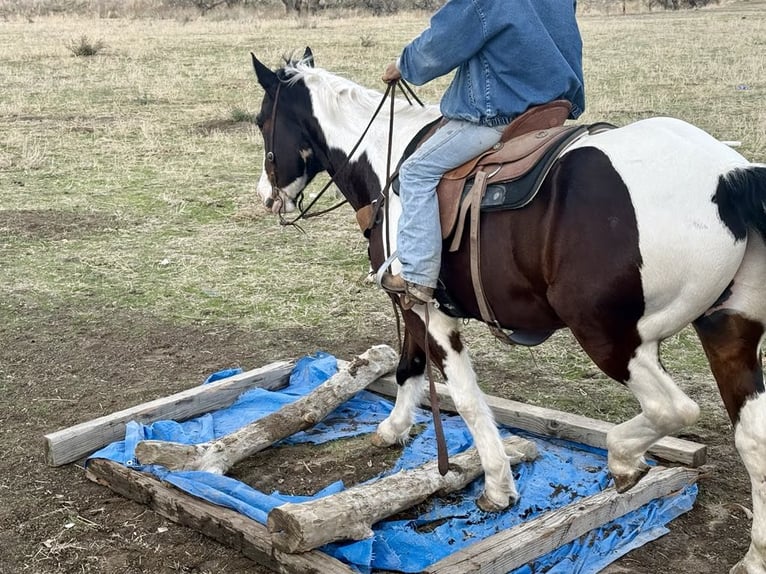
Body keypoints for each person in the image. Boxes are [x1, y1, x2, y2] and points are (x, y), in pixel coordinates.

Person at [379, 0, 585, 308]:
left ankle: (417, 276)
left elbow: (441, 43)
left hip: (501, 116)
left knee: (416, 171)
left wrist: (402, 65)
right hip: (553, 112)